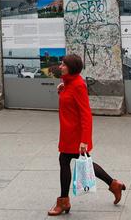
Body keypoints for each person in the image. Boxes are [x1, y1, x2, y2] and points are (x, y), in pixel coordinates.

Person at [48, 53, 126, 216]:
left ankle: (63, 201)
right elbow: (68, 103)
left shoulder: (78, 85)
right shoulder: (67, 83)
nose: (60, 66)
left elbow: (85, 114)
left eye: (63, 64)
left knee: (64, 160)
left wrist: (84, 139)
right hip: (68, 132)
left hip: (75, 134)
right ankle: (114, 184)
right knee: (80, 162)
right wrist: (61, 90)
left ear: (71, 68)